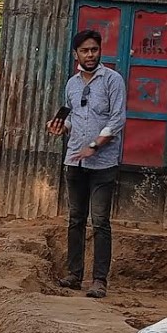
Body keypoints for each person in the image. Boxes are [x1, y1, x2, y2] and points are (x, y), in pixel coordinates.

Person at [46, 28, 126, 299]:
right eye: (84, 50)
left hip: (103, 163)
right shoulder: (72, 84)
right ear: (76, 54)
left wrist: (94, 146)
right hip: (74, 161)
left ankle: (99, 280)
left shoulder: (113, 80)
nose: (90, 54)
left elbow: (117, 120)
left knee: (100, 221)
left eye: (94, 49)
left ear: (100, 51)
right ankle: (74, 274)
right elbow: (73, 120)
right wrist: (60, 127)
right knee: (75, 218)